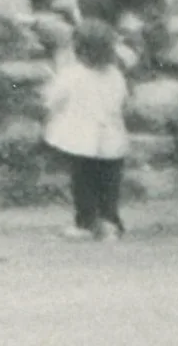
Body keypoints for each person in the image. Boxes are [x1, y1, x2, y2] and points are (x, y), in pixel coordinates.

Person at [41, 20, 129, 239]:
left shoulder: (71, 75)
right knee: (109, 183)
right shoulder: (115, 75)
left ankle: (86, 222)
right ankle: (110, 220)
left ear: (78, 49)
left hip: (81, 140)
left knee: (83, 183)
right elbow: (122, 100)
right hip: (111, 139)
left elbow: (52, 100)